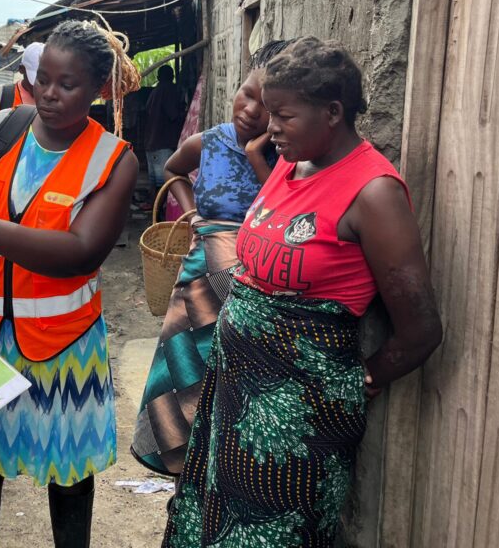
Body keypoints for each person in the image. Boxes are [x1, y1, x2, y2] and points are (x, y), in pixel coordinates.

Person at [162, 38, 443, 547]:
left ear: (332, 112)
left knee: (273, 536)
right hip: (234, 397)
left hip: (297, 421)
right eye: (269, 112)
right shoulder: (292, 165)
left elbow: (421, 329)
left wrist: (361, 380)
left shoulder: (374, 192)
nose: (269, 127)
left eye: (283, 116)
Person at [0, 20, 141, 548]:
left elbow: (81, 252)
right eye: (43, 79)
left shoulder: (114, 159)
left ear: (98, 90)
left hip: (64, 345)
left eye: (67, 84)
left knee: (68, 475)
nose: (49, 94)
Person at [131, 40, 289, 477]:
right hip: (200, 281)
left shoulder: (285, 156)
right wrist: (192, 212)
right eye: (247, 93)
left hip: (253, 289)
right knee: (185, 383)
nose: (251, 110)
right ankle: (183, 478)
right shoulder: (208, 142)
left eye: (266, 106)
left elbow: (282, 211)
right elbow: (172, 170)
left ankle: (222, 479)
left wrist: (256, 156)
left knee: (234, 392)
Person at [143, 65, 184, 198]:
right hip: (163, 142)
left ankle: (154, 206)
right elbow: (173, 115)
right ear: (171, 76)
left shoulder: (155, 92)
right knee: (164, 182)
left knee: (155, 180)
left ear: (158, 77)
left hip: (151, 141)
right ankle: (161, 207)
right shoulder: (169, 90)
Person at [0, 41, 43, 121]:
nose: (38, 86)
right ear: (21, 69)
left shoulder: (52, 101)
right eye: (34, 78)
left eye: (44, 80)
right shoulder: (0, 95)